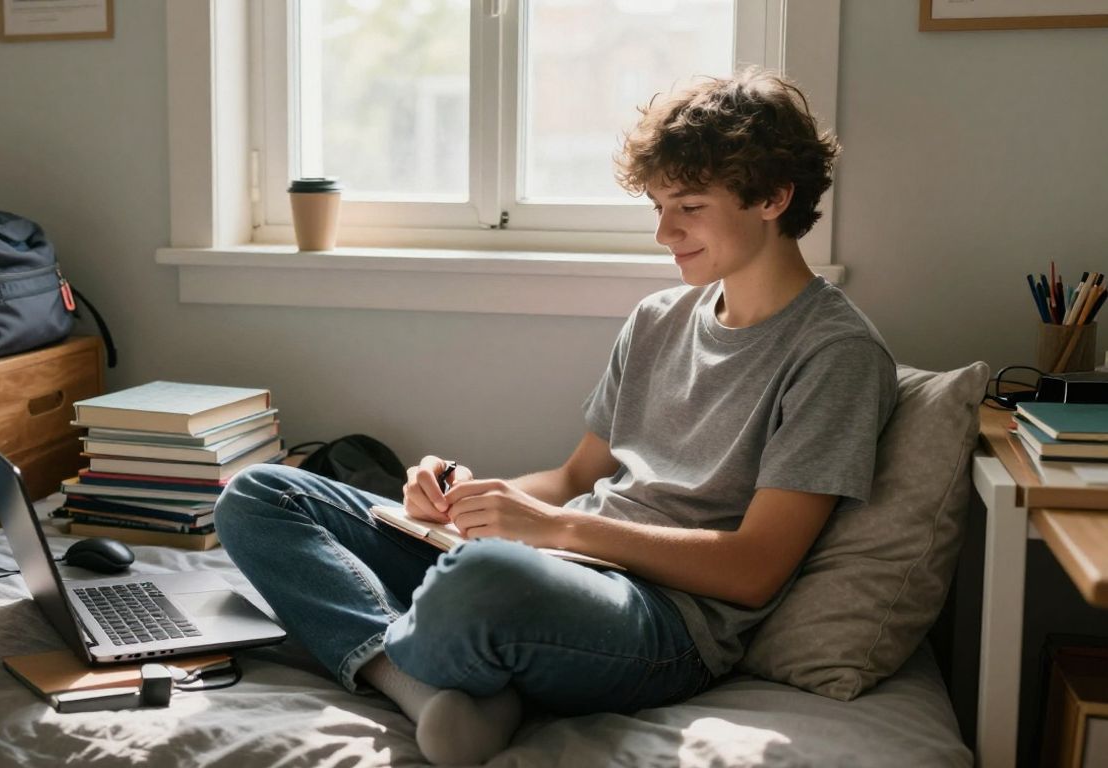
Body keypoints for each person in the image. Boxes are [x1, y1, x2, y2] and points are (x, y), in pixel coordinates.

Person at [214, 68, 897, 766]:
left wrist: (555, 529)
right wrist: (470, 500)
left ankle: (412, 637)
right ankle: (415, 684)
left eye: (688, 206)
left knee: (481, 581)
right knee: (258, 495)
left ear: (774, 198)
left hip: (665, 622)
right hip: (562, 567)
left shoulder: (835, 354)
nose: (664, 232)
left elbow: (756, 569)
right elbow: (575, 474)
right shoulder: (658, 319)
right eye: (658, 206)